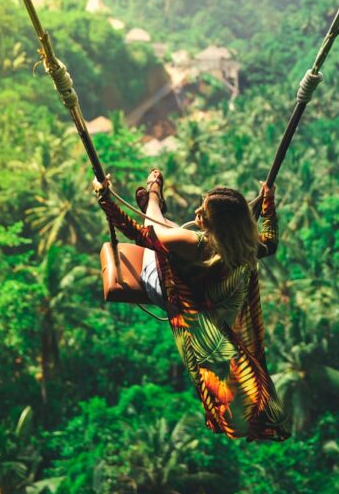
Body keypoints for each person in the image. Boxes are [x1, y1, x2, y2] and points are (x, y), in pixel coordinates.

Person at [94, 169, 290, 442]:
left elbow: (139, 234)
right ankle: (157, 208)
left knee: (160, 232)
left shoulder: (196, 244)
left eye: (203, 211)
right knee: (172, 235)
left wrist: (106, 197)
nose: (197, 211)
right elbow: (270, 240)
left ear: (216, 226)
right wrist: (268, 204)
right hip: (209, 298)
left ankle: (154, 200)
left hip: (175, 293)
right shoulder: (246, 247)